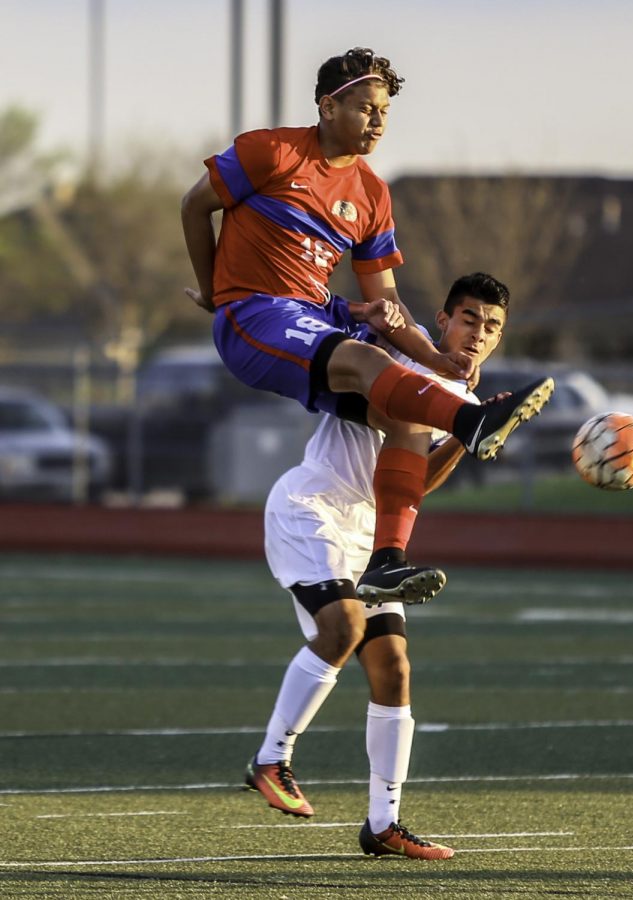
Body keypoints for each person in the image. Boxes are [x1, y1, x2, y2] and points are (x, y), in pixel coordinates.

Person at [181, 47, 553, 603]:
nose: (378, 120)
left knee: (407, 411)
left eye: (384, 111)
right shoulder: (273, 152)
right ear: (328, 108)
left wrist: (437, 361)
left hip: (311, 316)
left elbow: (388, 309)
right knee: (368, 361)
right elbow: (193, 205)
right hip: (255, 314)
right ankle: (473, 422)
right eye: (365, 107)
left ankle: (387, 561)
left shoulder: (373, 194)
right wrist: (215, 292)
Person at [248, 272, 510, 860]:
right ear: (441, 321)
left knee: (393, 667)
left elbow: (419, 478)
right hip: (311, 507)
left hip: (369, 534)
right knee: (344, 628)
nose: (478, 334)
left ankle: (384, 824)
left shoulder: (464, 402)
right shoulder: (400, 341)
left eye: (491, 327)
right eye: (468, 319)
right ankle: (271, 759)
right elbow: (334, 343)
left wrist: (467, 440)